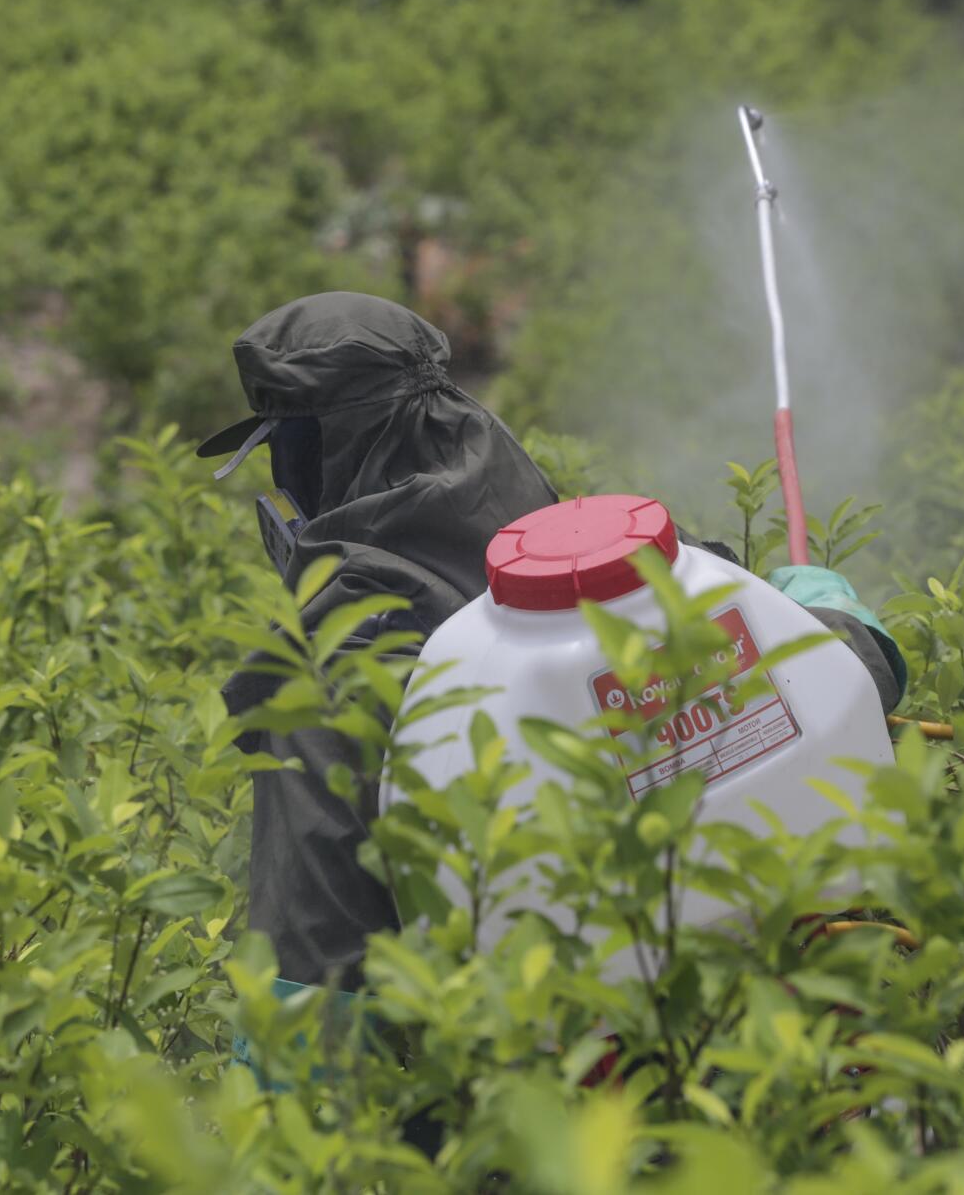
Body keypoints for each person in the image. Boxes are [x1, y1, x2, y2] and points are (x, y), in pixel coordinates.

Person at [200, 291, 903, 997]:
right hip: (794, 1017)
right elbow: (826, 697)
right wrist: (835, 623)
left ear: (309, 458)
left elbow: (313, 982)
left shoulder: (326, 675)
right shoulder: (621, 560)